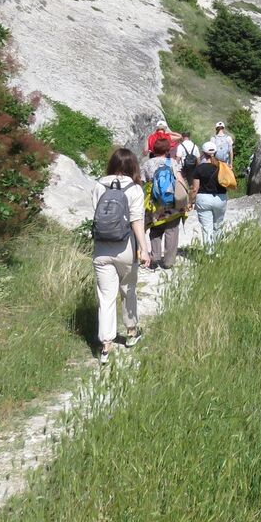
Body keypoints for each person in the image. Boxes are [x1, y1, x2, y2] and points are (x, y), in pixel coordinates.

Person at [91, 148, 150, 365]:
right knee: (128, 290)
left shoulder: (99, 185)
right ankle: (131, 332)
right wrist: (144, 250)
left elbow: (96, 216)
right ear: (133, 166)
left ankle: (106, 345)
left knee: (105, 297)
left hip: (101, 249)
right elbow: (137, 222)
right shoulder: (134, 189)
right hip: (125, 248)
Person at [141, 137, 186, 271]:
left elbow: (143, 182)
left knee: (155, 229)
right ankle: (168, 261)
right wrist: (185, 198)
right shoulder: (172, 162)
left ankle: (155, 257)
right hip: (171, 202)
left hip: (154, 203)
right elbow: (179, 180)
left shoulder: (147, 164)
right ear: (167, 150)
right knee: (172, 230)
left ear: (153, 150)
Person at [190, 140, 229, 249]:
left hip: (204, 198)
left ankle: (209, 253)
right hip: (220, 198)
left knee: (207, 227)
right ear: (216, 152)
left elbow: (195, 188)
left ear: (203, 153)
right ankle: (218, 251)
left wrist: (190, 201)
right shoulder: (222, 166)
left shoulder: (199, 169)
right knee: (218, 226)